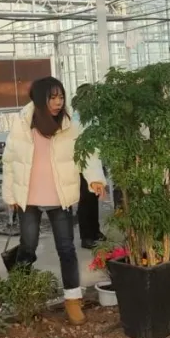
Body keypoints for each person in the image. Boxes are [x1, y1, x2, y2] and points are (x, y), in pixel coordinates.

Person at [1, 77, 105, 326]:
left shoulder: (70, 126)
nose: (58, 103)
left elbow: (87, 154)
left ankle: (73, 299)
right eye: (52, 98)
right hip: (28, 198)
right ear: (40, 99)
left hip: (60, 197)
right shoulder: (22, 123)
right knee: (28, 248)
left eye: (61, 97)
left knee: (66, 249)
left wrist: (95, 179)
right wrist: (10, 195)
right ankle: (23, 297)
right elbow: (10, 160)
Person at [73, 84, 104, 250]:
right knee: (85, 201)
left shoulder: (94, 116)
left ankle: (95, 231)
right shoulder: (76, 118)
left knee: (94, 199)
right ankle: (86, 236)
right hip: (82, 165)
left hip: (96, 163)